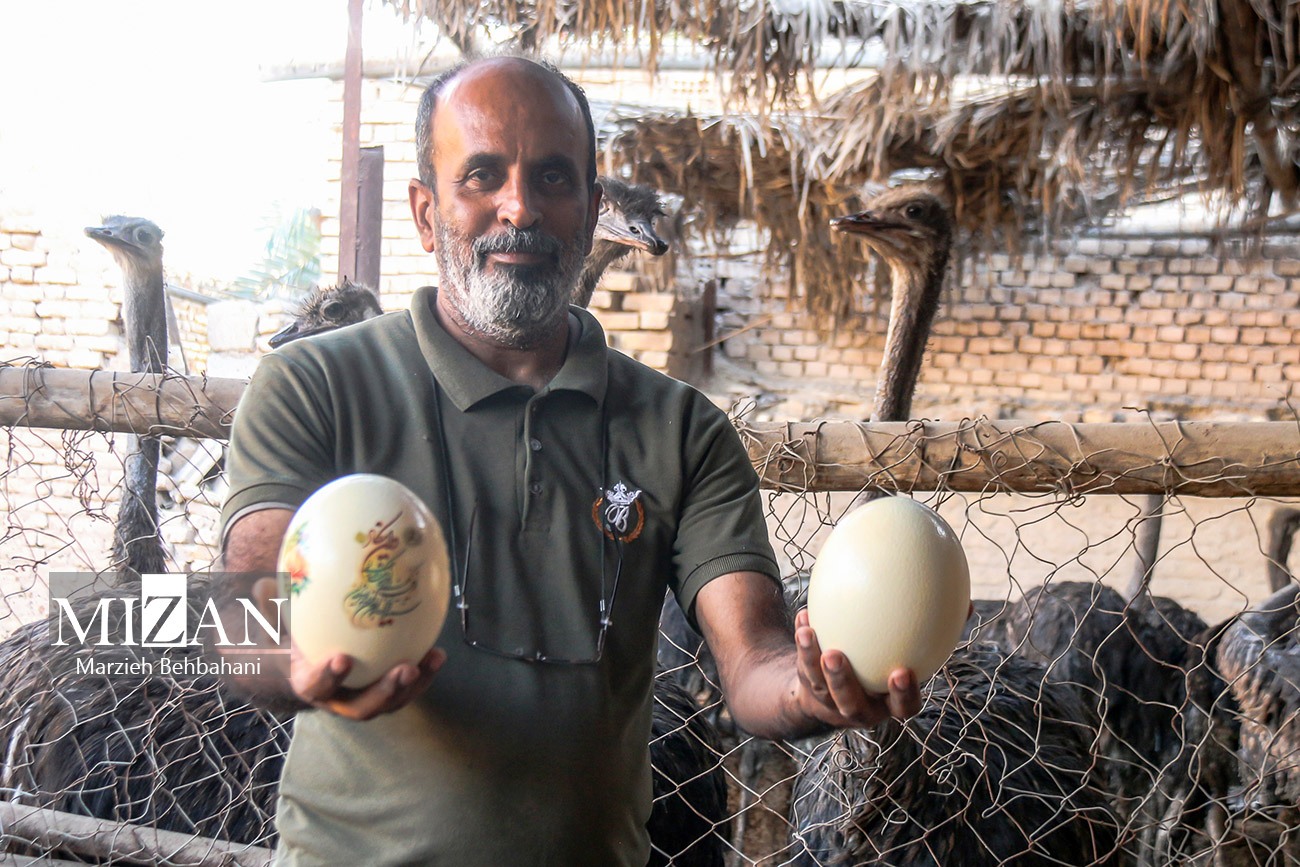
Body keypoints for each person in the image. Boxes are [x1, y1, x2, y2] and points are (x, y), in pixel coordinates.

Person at [218, 55, 921, 866]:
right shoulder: (312, 385)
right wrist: (297, 660)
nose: (520, 207)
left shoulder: (681, 429)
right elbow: (243, 612)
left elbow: (752, 659)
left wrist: (810, 688)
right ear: (425, 212)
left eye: (552, 177)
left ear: (589, 213)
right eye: (482, 175)